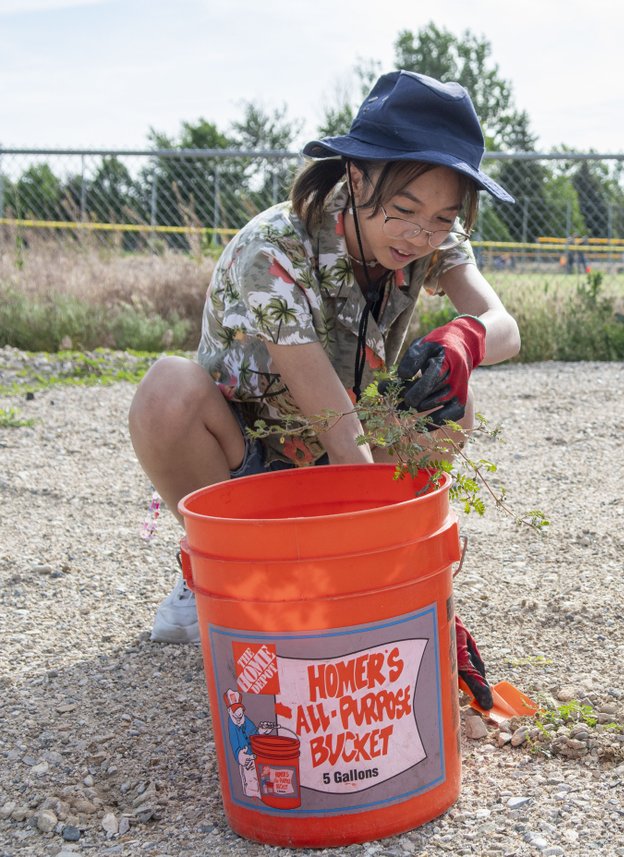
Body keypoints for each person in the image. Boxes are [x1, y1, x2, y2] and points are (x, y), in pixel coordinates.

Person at [128, 70, 518, 710]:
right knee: (167, 389)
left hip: (348, 447)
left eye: (443, 218)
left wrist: (465, 341)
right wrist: (395, 590)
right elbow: (342, 435)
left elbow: (505, 326)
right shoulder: (274, 249)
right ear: (357, 177)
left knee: (456, 391)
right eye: (406, 212)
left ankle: (319, 576)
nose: (419, 237)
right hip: (248, 464)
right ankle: (222, 572)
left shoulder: (432, 239)